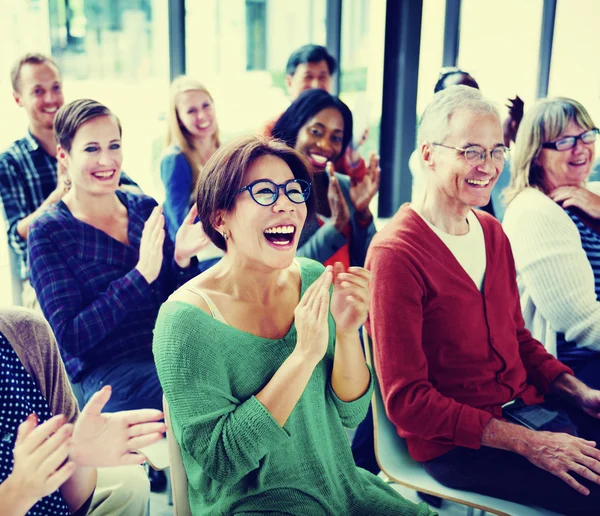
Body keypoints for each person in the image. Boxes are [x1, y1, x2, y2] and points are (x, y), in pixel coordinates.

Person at [153, 135, 433, 515]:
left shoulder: (313, 277)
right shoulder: (184, 322)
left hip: (343, 488)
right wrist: (303, 356)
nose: (286, 204)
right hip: (255, 506)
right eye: (264, 192)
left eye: (293, 191)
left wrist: (349, 331)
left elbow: (350, 414)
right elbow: (222, 462)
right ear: (220, 218)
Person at [367, 85, 600, 514]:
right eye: (471, 151)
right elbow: (407, 402)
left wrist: (578, 391)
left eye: (496, 152)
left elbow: (518, 337)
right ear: (428, 154)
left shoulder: (492, 231)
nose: (488, 167)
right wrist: (529, 443)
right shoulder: (395, 253)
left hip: (530, 414)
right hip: (459, 448)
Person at [28, 99, 206, 414]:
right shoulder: (49, 232)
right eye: (91, 149)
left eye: (114, 146)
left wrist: (181, 259)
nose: (107, 160)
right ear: (63, 155)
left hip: (168, 353)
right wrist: (140, 277)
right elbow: (71, 337)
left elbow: (174, 303)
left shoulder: (144, 209)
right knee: (206, 387)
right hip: (106, 377)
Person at [0, 53, 138, 308]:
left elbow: (132, 193)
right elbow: (17, 238)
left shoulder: (88, 143)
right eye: (38, 91)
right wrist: (64, 190)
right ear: (18, 99)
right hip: (48, 279)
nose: (51, 98)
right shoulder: (10, 161)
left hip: (104, 260)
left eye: (55, 88)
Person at [0, 306, 165, 515]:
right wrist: (19, 491)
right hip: (106, 372)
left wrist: (79, 458)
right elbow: (73, 337)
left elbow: (73, 503)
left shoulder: (25, 331)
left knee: (130, 481)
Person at [503, 98, 600, 389]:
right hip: (575, 374)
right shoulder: (535, 210)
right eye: (564, 141)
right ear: (535, 155)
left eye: (586, 135)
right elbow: (580, 323)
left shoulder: (587, 197)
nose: (580, 147)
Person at [272, 88, 379, 269]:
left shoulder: (344, 186)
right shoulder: (276, 192)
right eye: (316, 132)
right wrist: (336, 226)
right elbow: (284, 268)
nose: (325, 145)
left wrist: (362, 215)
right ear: (295, 128)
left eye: (336, 138)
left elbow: (368, 262)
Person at [262, 44, 368, 181]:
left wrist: (353, 151)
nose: (316, 85)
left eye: (322, 78)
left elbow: (354, 186)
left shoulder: (338, 124)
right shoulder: (270, 130)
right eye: (308, 77)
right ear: (289, 83)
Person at [161, 76, 220, 244]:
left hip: (225, 240)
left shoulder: (224, 151)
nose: (202, 115)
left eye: (206, 105)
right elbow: (180, 225)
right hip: (198, 250)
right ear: (179, 119)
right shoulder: (175, 160)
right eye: (191, 111)